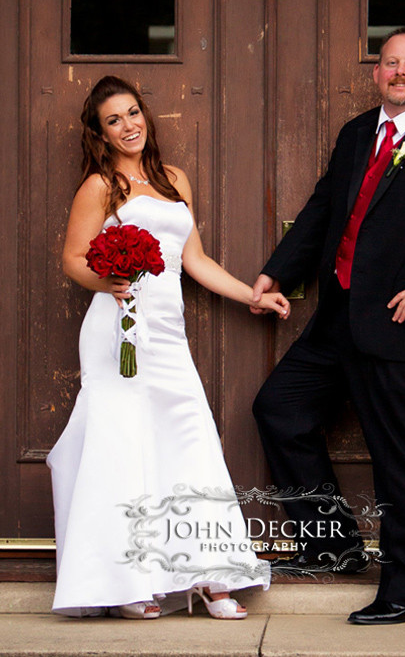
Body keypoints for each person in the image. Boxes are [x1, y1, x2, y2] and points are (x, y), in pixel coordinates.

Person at [251, 28, 405, 625]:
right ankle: (333, 545)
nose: (400, 73)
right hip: (336, 319)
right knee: (279, 409)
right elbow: (322, 211)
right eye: (391, 63)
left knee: (403, 460)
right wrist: (276, 273)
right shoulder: (356, 134)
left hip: (397, 325)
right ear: (377, 73)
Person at [47, 75, 289, 620]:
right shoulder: (99, 185)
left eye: (133, 113)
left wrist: (252, 294)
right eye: (114, 120)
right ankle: (129, 580)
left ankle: (210, 575)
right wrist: (107, 282)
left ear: (145, 117)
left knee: (189, 438)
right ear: (101, 133)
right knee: (122, 446)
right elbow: (72, 259)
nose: (128, 125)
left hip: (167, 333)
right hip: (118, 332)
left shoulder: (174, 177)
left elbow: (194, 260)